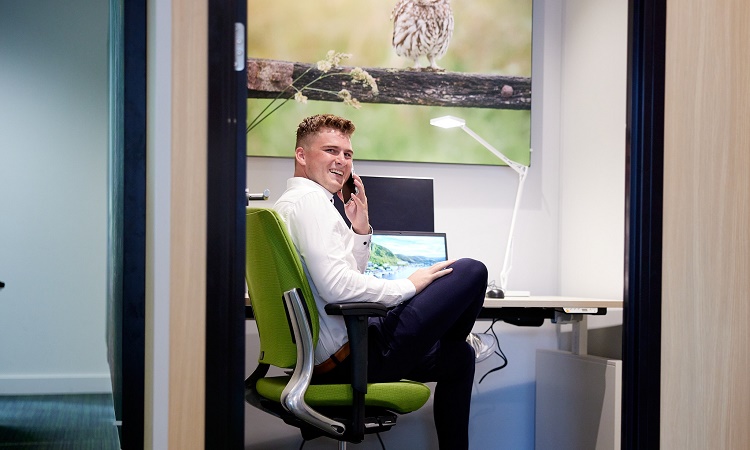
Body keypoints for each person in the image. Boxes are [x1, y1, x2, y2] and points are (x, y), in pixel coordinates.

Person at [274, 114, 491, 449]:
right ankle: (446, 334)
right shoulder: (310, 203)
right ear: (301, 155)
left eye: (347, 154)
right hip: (351, 356)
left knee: (459, 357)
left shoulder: (295, 203)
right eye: (331, 150)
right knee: (471, 271)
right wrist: (410, 286)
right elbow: (337, 288)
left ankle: (450, 341)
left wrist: (360, 231)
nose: (341, 161)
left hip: (340, 350)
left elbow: (344, 278)